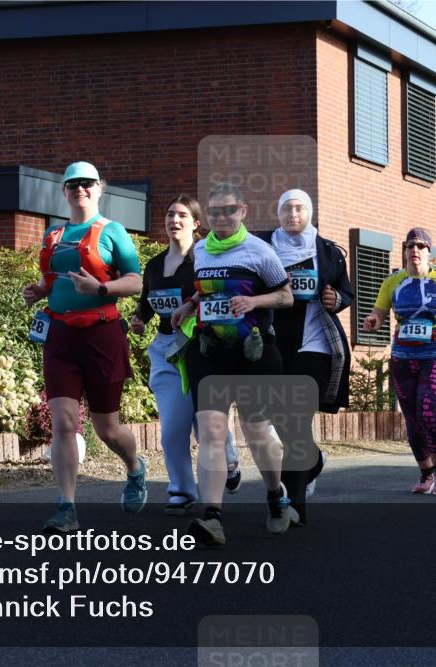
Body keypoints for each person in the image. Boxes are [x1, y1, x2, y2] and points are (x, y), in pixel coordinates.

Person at [22, 161, 147, 532]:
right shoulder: (53, 235)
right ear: (64, 191)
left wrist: (101, 289)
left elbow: (136, 282)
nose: (80, 189)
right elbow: (52, 280)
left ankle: (135, 467)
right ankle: (66, 508)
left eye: (87, 184)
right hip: (60, 335)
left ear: (99, 189)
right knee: (62, 423)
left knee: (106, 428)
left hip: (102, 334)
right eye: (73, 184)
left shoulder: (113, 231)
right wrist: (38, 292)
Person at [170, 183, 296, 546]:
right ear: (206, 217)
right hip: (210, 350)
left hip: (253, 351)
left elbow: (286, 295)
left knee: (255, 431)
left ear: (242, 210)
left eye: (229, 210)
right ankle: (212, 517)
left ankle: (275, 494)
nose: (221, 217)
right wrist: (188, 306)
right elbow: (204, 289)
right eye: (214, 212)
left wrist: (254, 302)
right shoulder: (201, 250)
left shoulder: (260, 251)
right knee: (210, 429)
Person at [129, 195, 242, 515]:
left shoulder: (204, 260)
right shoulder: (153, 266)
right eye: (169, 214)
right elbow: (146, 307)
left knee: (205, 422)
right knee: (173, 428)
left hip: (201, 346)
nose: (173, 220)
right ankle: (181, 490)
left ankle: (228, 457)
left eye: (181, 215)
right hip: (166, 350)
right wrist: (139, 321)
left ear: (195, 224)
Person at [261, 188, 353, 524]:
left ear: (310, 212)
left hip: (314, 345)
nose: (293, 214)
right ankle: (312, 462)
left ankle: (292, 504)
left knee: (297, 419)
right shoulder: (263, 246)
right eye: (286, 209)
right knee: (281, 420)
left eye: (299, 208)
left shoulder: (327, 251)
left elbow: (346, 292)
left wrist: (335, 299)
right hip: (271, 343)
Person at [363, 228, 436, 496]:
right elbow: (380, 310)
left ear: (429, 253)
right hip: (403, 357)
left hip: (435, 354)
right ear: (405, 251)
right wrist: (374, 320)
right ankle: (425, 473)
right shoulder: (393, 281)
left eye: (421, 246)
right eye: (410, 246)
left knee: (427, 411)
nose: (415, 250)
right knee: (411, 417)